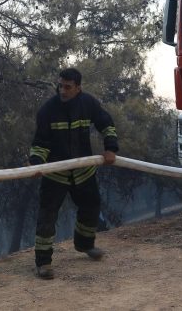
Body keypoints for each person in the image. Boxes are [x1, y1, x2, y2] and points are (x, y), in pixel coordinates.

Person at [28, 68, 118, 280]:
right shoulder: (47, 111)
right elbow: (40, 144)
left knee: (91, 206)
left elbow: (107, 124)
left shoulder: (89, 104)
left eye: (68, 87)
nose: (62, 90)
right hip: (55, 174)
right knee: (47, 217)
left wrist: (111, 148)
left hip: (83, 172)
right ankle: (43, 263)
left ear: (78, 88)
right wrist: (36, 164)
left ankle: (85, 244)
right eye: (60, 85)